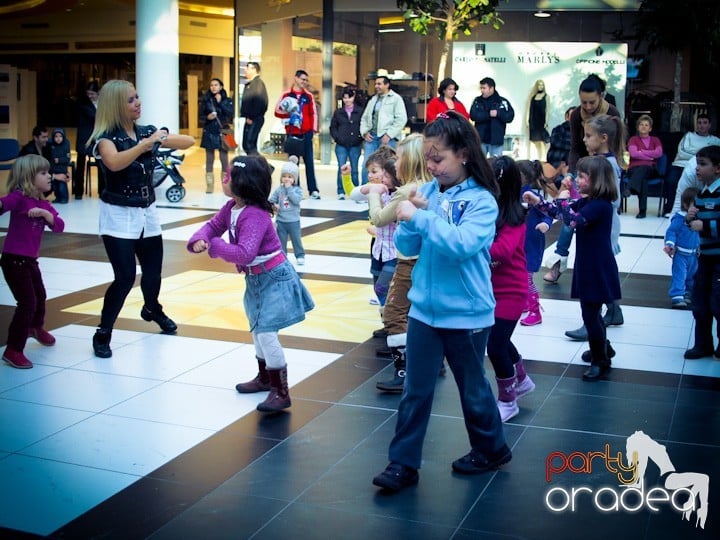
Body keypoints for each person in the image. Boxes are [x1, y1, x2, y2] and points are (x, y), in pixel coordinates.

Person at [372, 111, 510, 493]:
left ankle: (491, 448)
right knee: (415, 390)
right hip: (424, 311)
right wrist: (411, 220)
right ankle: (402, 464)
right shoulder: (428, 192)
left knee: (473, 388)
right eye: (427, 159)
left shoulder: (482, 201)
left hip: (467, 314)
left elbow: (462, 246)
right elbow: (407, 247)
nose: (431, 167)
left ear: (464, 153)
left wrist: (420, 217)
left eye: (438, 158)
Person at [188, 155, 315, 412]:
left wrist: (214, 246)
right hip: (256, 278)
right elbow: (212, 227)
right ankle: (265, 378)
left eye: (228, 175)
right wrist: (198, 239)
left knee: (266, 333)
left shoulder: (255, 215)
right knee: (258, 330)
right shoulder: (231, 208)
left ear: (242, 183)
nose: (225, 179)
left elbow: (245, 252)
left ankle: (281, 392)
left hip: (274, 278)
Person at [88, 79, 195, 358]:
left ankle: (152, 309)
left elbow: (188, 141)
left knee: (153, 273)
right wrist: (144, 145)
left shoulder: (146, 132)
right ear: (115, 106)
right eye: (131, 100)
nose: (138, 103)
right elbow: (114, 162)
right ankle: (103, 333)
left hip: (147, 213)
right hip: (118, 215)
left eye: (138, 97)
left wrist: (158, 137)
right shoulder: (106, 139)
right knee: (124, 277)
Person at [525, 155, 621, 381]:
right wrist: (538, 202)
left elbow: (572, 220)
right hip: (589, 263)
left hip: (597, 265)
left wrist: (561, 199)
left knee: (590, 312)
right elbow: (560, 214)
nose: (577, 179)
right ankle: (603, 348)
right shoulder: (589, 202)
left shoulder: (600, 206)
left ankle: (600, 359)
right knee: (591, 311)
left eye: (582, 176)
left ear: (597, 180)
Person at [366, 134, 432, 393]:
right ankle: (429, 364)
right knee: (418, 313)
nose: (397, 161)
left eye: (401, 156)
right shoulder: (431, 185)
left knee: (394, 314)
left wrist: (373, 193)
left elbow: (379, 218)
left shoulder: (407, 190)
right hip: (426, 258)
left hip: (407, 260)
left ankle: (403, 370)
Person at [564, 114, 626, 342]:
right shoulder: (599, 161)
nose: (584, 140)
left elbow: (614, 198)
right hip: (595, 218)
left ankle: (594, 320)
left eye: (588, 136)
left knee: (598, 270)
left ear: (603, 138)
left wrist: (588, 207)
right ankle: (605, 314)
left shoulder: (607, 165)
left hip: (601, 224)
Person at [1, 155, 65, 369]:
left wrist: (46, 214)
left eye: (48, 172)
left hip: (29, 261)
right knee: (27, 303)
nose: (49, 177)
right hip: (13, 261)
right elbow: (3, 204)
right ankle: (13, 349)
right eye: (43, 173)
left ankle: (35, 327)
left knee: (40, 296)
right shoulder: (19, 198)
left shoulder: (43, 204)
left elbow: (59, 226)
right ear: (29, 177)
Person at [487, 155, 535, 421]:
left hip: (511, 292)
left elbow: (503, 252)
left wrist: (473, 247)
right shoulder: (489, 211)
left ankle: (508, 400)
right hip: (492, 289)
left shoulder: (515, 216)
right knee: (500, 339)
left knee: (495, 346)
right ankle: (522, 379)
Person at [683, 144, 720, 359]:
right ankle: (702, 343)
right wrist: (690, 219)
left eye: (703, 164)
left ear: (717, 168)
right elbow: (694, 222)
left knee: (718, 301)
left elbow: (707, 225)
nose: (698, 169)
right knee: (700, 301)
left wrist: (704, 226)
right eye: (697, 164)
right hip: (704, 257)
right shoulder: (701, 194)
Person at [517, 159, 554, 327]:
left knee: (527, 277)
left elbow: (548, 212)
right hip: (520, 242)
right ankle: (525, 302)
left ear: (522, 176)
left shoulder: (531, 196)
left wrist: (546, 224)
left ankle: (535, 310)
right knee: (521, 274)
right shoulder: (514, 193)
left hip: (531, 242)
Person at [274, 69, 321, 199]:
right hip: (292, 133)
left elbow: (313, 114)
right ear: (296, 78)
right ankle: (295, 190)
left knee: (309, 162)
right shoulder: (286, 95)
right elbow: (277, 111)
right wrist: (290, 113)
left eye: (306, 80)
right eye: (302, 79)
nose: (304, 82)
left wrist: (313, 130)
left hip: (306, 133)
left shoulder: (309, 96)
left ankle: (313, 190)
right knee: (293, 163)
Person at [663, 113, 720, 216]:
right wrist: (701, 155)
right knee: (671, 180)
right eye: (699, 123)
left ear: (709, 125)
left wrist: (696, 154)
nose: (702, 125)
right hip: (680, 164)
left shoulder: (716, 140)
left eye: (705, 123)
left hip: (705, 170)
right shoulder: (688, 136)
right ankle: (669, 208)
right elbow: (682, 152)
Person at [567, 74, 621, 173]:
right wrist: (570, 173)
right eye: (584, 102)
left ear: (600, 97)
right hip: (583, 165)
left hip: (607, 166)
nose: (588, 107)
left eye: (592, 102)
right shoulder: (576, 115)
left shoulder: (612, 112)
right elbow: (575, 147)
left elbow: (617, 146)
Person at [359, 76, 407, 185]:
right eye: (376, 84)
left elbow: (401, 119)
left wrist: (389, 135)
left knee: (388, 166)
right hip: (371, 137)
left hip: (387, 138)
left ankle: (389, 191)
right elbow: (365, 118)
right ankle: (366, 192)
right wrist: (365, 132)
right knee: (367, 165)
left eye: (379, 84)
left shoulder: (396, 99)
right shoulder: (373, 99)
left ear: (387, 85)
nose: (376, 86)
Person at [663, 187, 700, 309]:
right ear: (685, 204)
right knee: (680, 274)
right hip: (681, 254)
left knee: (692, 275)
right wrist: (670, 244)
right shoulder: (679, 218)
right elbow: (672, 231)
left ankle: (688, 292)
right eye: (695, 205)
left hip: (694, 254)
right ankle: (677, 296)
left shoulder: (699, 219)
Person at [269, 155, 305, 265]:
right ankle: (282, 256)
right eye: (284, 176)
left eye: (290, 177)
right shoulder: (279, 190)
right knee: (281, 241)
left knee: (296, 239)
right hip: (281, 221)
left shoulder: (297, 190)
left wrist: (289, 189)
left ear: (294, 179)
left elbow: (296, 200)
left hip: (293, 221)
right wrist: (274, 205)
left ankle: (300, 255)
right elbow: (271, 200)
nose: (287, 179)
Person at [200, 77, 234, 193]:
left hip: (224, 131)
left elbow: (230, 113)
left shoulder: (227, 100)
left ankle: (225, 184)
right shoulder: (206, 100)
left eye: (216, 85)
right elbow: (200, 116)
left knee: (224, 158)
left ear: (221, 87)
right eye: (212, 85)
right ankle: (209, 185)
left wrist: (220, 103)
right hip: (209, 130)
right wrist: (207, 118)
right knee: (209, 158)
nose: (213, 87)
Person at [626, 114, 663, 219]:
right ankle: (642, 211)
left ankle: (629, 188)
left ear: (650, 128)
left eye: (646, 125)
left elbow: (659, 153)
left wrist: (641, 152)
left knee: (644, 168)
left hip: (651, 169)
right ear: (638, 127)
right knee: (643, 180)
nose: (643, 127)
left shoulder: (655, 140)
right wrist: (650, 157)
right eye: (641, 124)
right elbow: (633, 153)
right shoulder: (633, 139)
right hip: (634, 169)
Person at [330, 87, 364, 199]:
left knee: (354, 169)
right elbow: (333, 127)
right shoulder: (338, 112)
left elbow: (363, 125)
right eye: (345, 98)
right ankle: (341, 191)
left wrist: (360, 138)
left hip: (355, 144)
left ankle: (355, 191)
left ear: (353, 97)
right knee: (341, 167)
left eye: (349, 97)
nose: (347, 100)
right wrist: (337, 138)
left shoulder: (360, 111)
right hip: (341, 144)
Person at [469, 77, 515, 158]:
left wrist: (498, 113)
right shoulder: (477, 101)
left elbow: (510, 116)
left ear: (491, 88)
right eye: (481, 88)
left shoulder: (502, 101)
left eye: (484, 88)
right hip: (481, 140)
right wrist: (488, 114)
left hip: (496, 140)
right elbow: (473, 115)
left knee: (496, 166)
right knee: (479, 165)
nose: (482, 90)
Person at [73, 80, 102, 200]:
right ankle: (78, 191)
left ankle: (102, 190)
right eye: (88, 93)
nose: (90, 96)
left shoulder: (103, 103)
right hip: (84, 137)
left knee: (101, 162)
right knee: (80, 164)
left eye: (92, 93)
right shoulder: (83, 104)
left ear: (98, 92)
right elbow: (94, 117)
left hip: (98, 137)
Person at [240, 62, 268, 156]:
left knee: (249, 144)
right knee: (247, 144)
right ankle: (254, 165)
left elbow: (260, 102)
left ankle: (260, 166)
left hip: (254, 119)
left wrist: (251, 117)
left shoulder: (258, 84)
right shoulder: (251, 84)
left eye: (248, 68)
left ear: (254, 70)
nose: (245, 70)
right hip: (250, 118)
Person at [545, 107, 574, 171]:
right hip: (555, 163)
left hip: (571, 165)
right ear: (567, 117)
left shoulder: (581, 131)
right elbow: (555, 142)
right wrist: (573, 145)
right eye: (573, 115)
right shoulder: (559, 129)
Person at [527, 79, 549, 161]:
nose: (540, 86)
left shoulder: (546, 97)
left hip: (541, 121)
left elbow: (547, 110)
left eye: (542, 85)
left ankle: (543, 159)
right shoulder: (532, 97)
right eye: (539, 85)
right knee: (533, 141)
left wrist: (546, 122)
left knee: (541, 141)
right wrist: (527, 120)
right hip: (533, 121)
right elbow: (529, 109)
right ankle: (533, 159)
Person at [48, 128, 71, 204]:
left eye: (60, 136)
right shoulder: (51, 145)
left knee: (62, 186)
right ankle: (57, 197)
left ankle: (64, 198)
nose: (58, 139)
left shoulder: (66, 145)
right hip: (53, 170)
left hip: (62, 170)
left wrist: (59, 160)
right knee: (55, 186)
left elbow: (67, 158)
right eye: (56, 136)